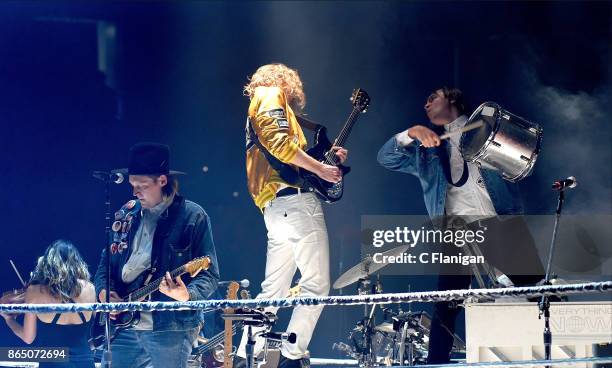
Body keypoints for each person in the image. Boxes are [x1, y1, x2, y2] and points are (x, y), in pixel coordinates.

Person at [377, 87, 544, 364]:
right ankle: (437, 364)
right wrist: (412, 132)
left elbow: (523, 159)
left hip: (498, 221)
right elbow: (386, 158)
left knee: (536, 290)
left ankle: (548, 354)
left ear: (452, 99)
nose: (426, 102)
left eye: (433, 97)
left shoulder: (488, 129)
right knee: (446, 304)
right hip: (455, 233)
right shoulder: (426, 147)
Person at [237, 63, 348, 368]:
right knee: (316, 285)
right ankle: (291, 357)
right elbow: (279, 144)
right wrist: (321, 169)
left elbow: (282, 155)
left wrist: (324, 159)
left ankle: (247, 355)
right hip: (296, 204)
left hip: (275, 208)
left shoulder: (262, 104)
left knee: (272, 290)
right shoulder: (270, 94)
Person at [94, 142, 220, 368]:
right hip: (123, 323)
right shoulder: (126, 213)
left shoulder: (192, 216)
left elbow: (210, 275)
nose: (135, 191)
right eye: (132, 184)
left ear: (162, 181)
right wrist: (105, 293)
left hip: (170, 326)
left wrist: (187, 295)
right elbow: (105, 264)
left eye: (142, 185)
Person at [1, 239, 96, 367]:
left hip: (53, 360)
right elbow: (94, 328)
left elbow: (28, 338)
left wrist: (9, 320)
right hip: (85, 360)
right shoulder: (90, 288)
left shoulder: (35, 290)